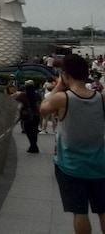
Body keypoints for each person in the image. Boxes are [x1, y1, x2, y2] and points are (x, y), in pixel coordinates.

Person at [41, 54, 105, 234]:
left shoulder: (62, 98)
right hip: (100, 164)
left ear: (65, 75)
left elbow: (43, 108)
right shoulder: (101, 98)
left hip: (71, 166)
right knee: (102, 209)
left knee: (80, 211)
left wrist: (59, 86)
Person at [13, 79, 41, 153]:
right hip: (36, 114)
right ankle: (34, 145)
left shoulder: (23, 95)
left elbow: (14, 99)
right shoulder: (37, 95)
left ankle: (33, 145)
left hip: (27, 114)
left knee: (28, 130)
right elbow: (39, 105)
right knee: (34, 131)